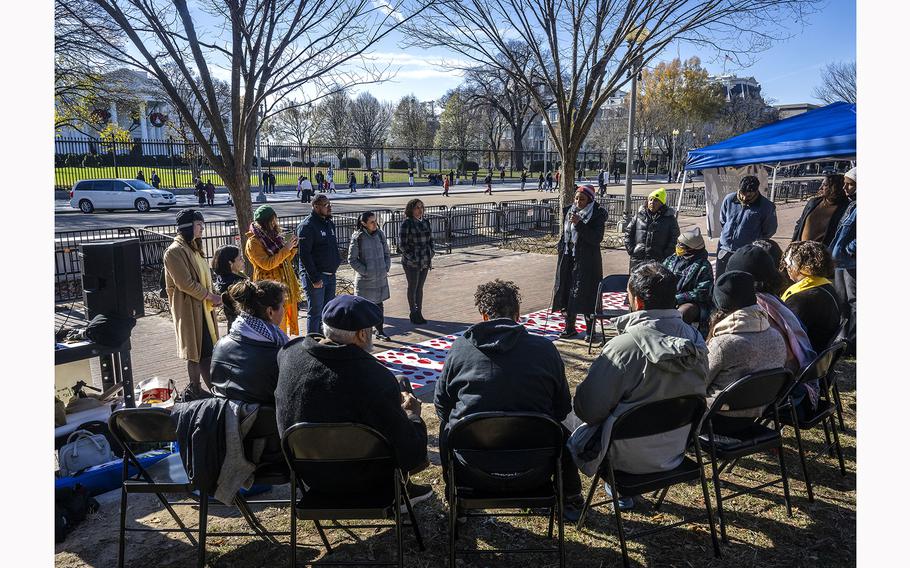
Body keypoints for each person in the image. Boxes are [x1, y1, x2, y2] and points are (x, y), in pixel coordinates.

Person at [435, 280, 585, 518]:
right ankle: (570, 494)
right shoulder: (545, 349)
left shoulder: (459, 350)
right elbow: (562, 407)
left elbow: (442, 408)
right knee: (564, 425)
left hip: (473, 469)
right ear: (517, 315)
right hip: (537, 467)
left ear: (483, 316)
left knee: (447, 427)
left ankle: (453, 496)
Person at [567, 262, 708, 510]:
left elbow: (587, 410)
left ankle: (568, 497)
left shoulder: (624, 347)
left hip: (624, 457)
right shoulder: (696, 341)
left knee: (564, 413)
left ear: (638, 301)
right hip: (676, 448)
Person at [275, 295, 432, 502]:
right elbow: (411, 456)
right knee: (401, 399)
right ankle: (401, 494)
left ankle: (405, 488)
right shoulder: (374, 377)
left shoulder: (289, 354)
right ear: (361, 334)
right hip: (366, 477)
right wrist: (412, 416)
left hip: (307, 471)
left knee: (399, 380)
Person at [705, 271, 787, 415]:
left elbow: (699, 382)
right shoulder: (776, 336)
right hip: (760, 410)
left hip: (718, 418)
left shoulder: (722, 344)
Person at [163, 209, 223, 398]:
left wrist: (211, 295)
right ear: (188, 227)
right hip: (190, 309)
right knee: (195, 352)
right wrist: (210, 296)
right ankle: (195, 389)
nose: (202, 228)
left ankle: (213, 390)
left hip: (203, 308)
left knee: (206, 350)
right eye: (199, 225)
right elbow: (185, 283)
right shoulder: (174, 252)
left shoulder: (193, 248)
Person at [210, 279, 290, 405]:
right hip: (263, 422)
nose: (284, 310)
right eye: (282, 306)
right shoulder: (280, 354)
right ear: (270, 312)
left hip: (223, 418)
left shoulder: (220, 345)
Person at [552, 185, 607, 339]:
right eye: (576, 198)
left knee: (587, 294)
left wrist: (580, 224)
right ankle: (569, 327)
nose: (578, 202)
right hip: (569, 257)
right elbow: (565, 234)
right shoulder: (570, 211)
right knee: (568, 290)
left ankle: (590, 331)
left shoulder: (597, 214)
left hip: (588, 260)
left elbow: (596, 238)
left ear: (589, 199)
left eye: (582, 199)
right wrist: (562, 248)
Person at [245, 205, 301, 336]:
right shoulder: (253, 241)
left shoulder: (273, 236)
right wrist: (286, 249)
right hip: (268, 288)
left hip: (283, 284)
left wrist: (292, 247)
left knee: (283, 321)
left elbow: (284, 260)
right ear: (266, 222)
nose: (275, 223)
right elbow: (267, 264)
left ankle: (282, 345)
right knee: (273, 323)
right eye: (273, 220)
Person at [782, 241, 842, 353]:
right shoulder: (826, 287)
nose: (787, 268)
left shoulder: (801, 299)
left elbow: (784, 334)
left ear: (801, 267)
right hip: (818, 351)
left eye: (788, 264)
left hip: (803, 354)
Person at [716, 175, 778, 276]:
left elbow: (769, 231)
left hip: (746, 253)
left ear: (756, 191)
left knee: (741, 282)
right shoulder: (729, 199)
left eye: (749, 196)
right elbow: (723, 221)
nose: (744, 198)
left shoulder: (766, 206)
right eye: (742, 194)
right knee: (720, 280)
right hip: (725, 249)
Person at [296, 194, 341, 334]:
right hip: (316, 277)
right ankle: (312, 343)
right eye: (326, 205)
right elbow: (304, 255)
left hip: (330, 274)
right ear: (316, 207)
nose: (330, 207)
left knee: (327, 311)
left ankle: (324, 341)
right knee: (315, 312)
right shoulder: (307, 226)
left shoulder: (329, 223)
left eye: (330, 204)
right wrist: (314, 278)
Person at [348, 211, 392, 341]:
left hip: (380, 278)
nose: (375, 224)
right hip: (365, 281)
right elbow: (352, 260)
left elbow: (387, 253)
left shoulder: (380, 234)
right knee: (364, 309)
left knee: (379, 306)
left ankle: (380, 331)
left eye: (375, 221)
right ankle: (364, 335)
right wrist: (366, 271)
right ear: (363, 223)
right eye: (372, 222)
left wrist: (386, 267)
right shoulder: (358, 237)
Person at [662, 227, 714, 329]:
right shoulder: (672, 259)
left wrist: (677, 299)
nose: (677, 246)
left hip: (692, 303)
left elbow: (702, 292)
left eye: (681, 245)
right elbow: (661, 274)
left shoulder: (704, 266)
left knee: (684, 312)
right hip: (669, 297)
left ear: (691, 248)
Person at [830, 166, 856, 355]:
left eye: (850, 184)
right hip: (839, 259)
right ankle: (842, 338)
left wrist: (850, 249)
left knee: (853, 301)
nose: (845, 188)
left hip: (851, 261)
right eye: (845, 184)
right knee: (841, 300)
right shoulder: (852, 203)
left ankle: (853, 342)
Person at [624, 187, 680, 270]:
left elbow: (675, 239)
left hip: (658, 261)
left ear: (662, 203)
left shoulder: (670, 219)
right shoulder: (639, 216)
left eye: (656, 200)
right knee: (636, 282)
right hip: (638, 259)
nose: (652, 202)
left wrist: (665, 254)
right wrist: (632, 250)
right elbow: (628, 233)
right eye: (650, 200)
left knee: (655, 282)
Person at [399, 198, 434, 324]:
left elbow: (431, 240)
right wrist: (413, 258)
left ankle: (419, 312)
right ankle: (413, 312)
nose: (420, 210)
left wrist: (431, 253)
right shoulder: (407, 223)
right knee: (413, 287)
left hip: (425, 259)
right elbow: (402, 245)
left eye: (421, 207)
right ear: (411, 210)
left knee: (420, 287)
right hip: (411, 262)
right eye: (416, 208)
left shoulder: (426, 222)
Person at [791, 174, 849, 246]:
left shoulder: (846, 208)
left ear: (835, 187)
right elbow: (799, 224)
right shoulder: (813, 202)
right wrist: (793, 243)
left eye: (825, 185)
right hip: (800, 250)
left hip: (822, 254)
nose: (820, 188)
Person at [211, 244, 248, 331]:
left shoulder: (223, 278)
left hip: (233, 326)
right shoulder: (235, 284)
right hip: (243, 328)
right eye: (240, 258)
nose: (243, 260)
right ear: (230, 262)